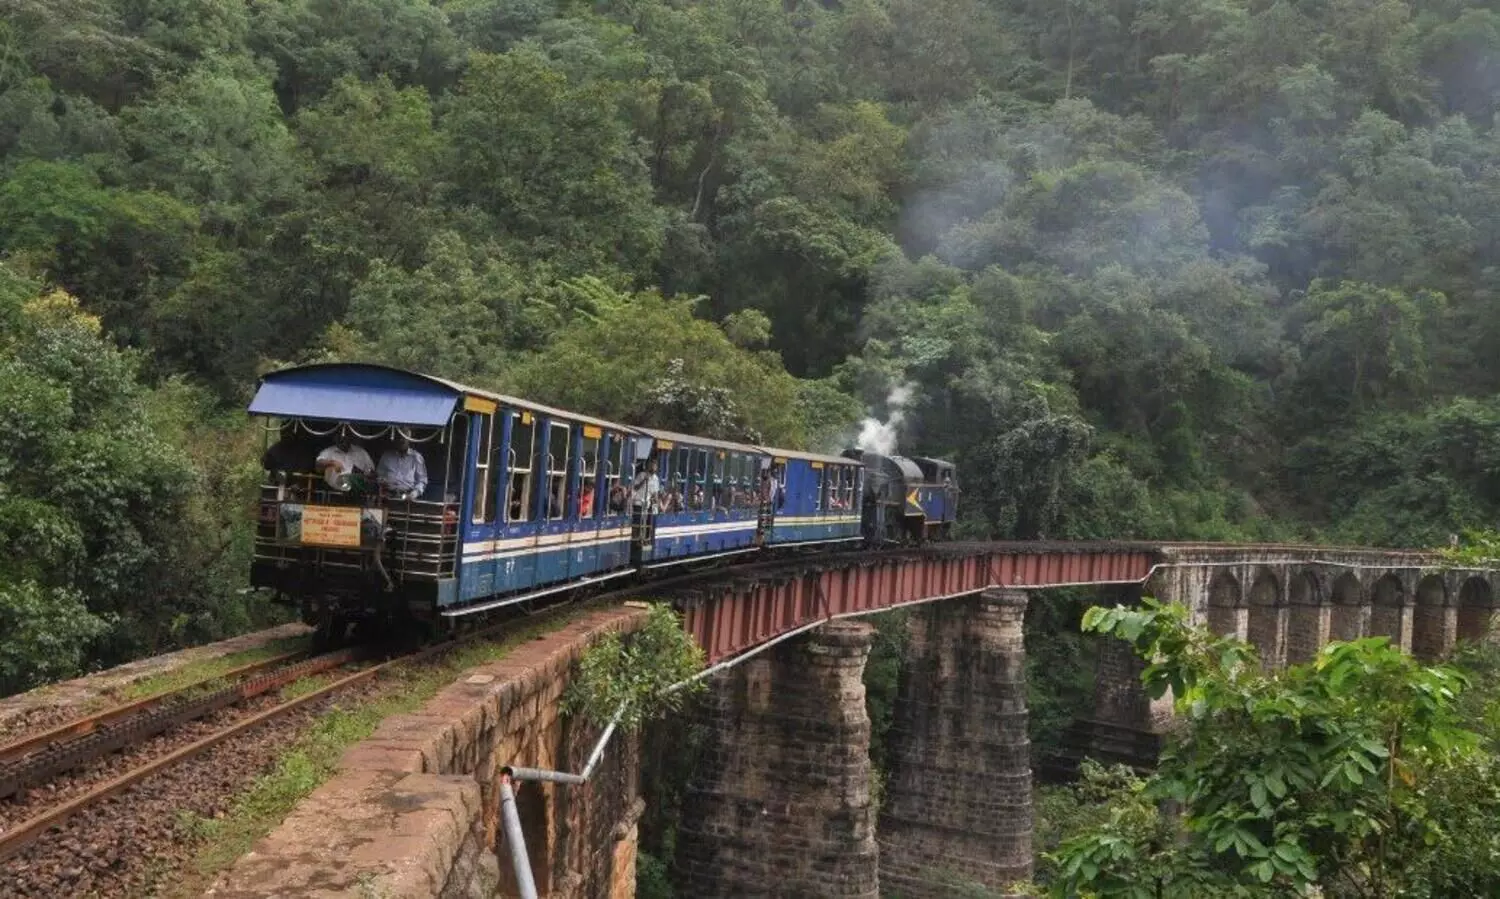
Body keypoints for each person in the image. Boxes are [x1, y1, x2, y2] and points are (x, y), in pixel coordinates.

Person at [377, 430, 428, 500]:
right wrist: (382, 482)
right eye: (400, 438)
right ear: (396, 439)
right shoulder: (386, 456)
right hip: (387, 497)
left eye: (405, 438)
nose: (402, 440)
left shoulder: (416, 457)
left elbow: (422, 481)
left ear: (410, 439)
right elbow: (379, 476)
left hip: (408, 498)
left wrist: (415, 493)